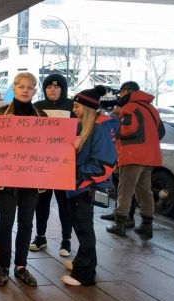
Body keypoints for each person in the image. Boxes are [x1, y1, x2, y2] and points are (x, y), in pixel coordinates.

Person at [0, 72, 46, 287]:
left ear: (34, 90)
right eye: (21, 86)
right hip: (6, 178)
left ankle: (21, 266)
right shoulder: (1, 115)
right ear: (14, 87)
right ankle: (3, 266)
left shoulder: (42, 117)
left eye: (30, 87)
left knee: (26, 224)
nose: (25, 90)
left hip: (31, 179)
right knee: (5, 223)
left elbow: (51, 147)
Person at [61, 85, 118, 286]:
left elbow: (105, 164)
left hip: (85, 187)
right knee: (81, 226)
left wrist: (75, 173)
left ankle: (85, 274)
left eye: (77, 106)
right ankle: (81, 262)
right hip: (77, 186)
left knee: (85, 229)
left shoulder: (100, 128)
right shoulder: (86, 127)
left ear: (88, 108)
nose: (73, 109)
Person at [106, 81, 163, 239]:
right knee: (145, 189)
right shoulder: (152, 108)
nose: (120, 95)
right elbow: (161, 131)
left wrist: (115, 129)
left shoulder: (128, 108)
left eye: (121, 92)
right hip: (150, 155)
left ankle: (120, 223)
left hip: (132, 155)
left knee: (125, 189)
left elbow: (128, 131)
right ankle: (146, 225)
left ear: (127, 92)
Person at [30, 73, 74, 257]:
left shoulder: (72, 106)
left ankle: (66, 239)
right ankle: (40, 236)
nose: (52, 90)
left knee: (65, 204)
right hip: (43, 165)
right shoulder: (37, 107)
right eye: (48, 87)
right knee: (41, 202)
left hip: (65, 164)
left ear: (62, 89)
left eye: (56, 87)